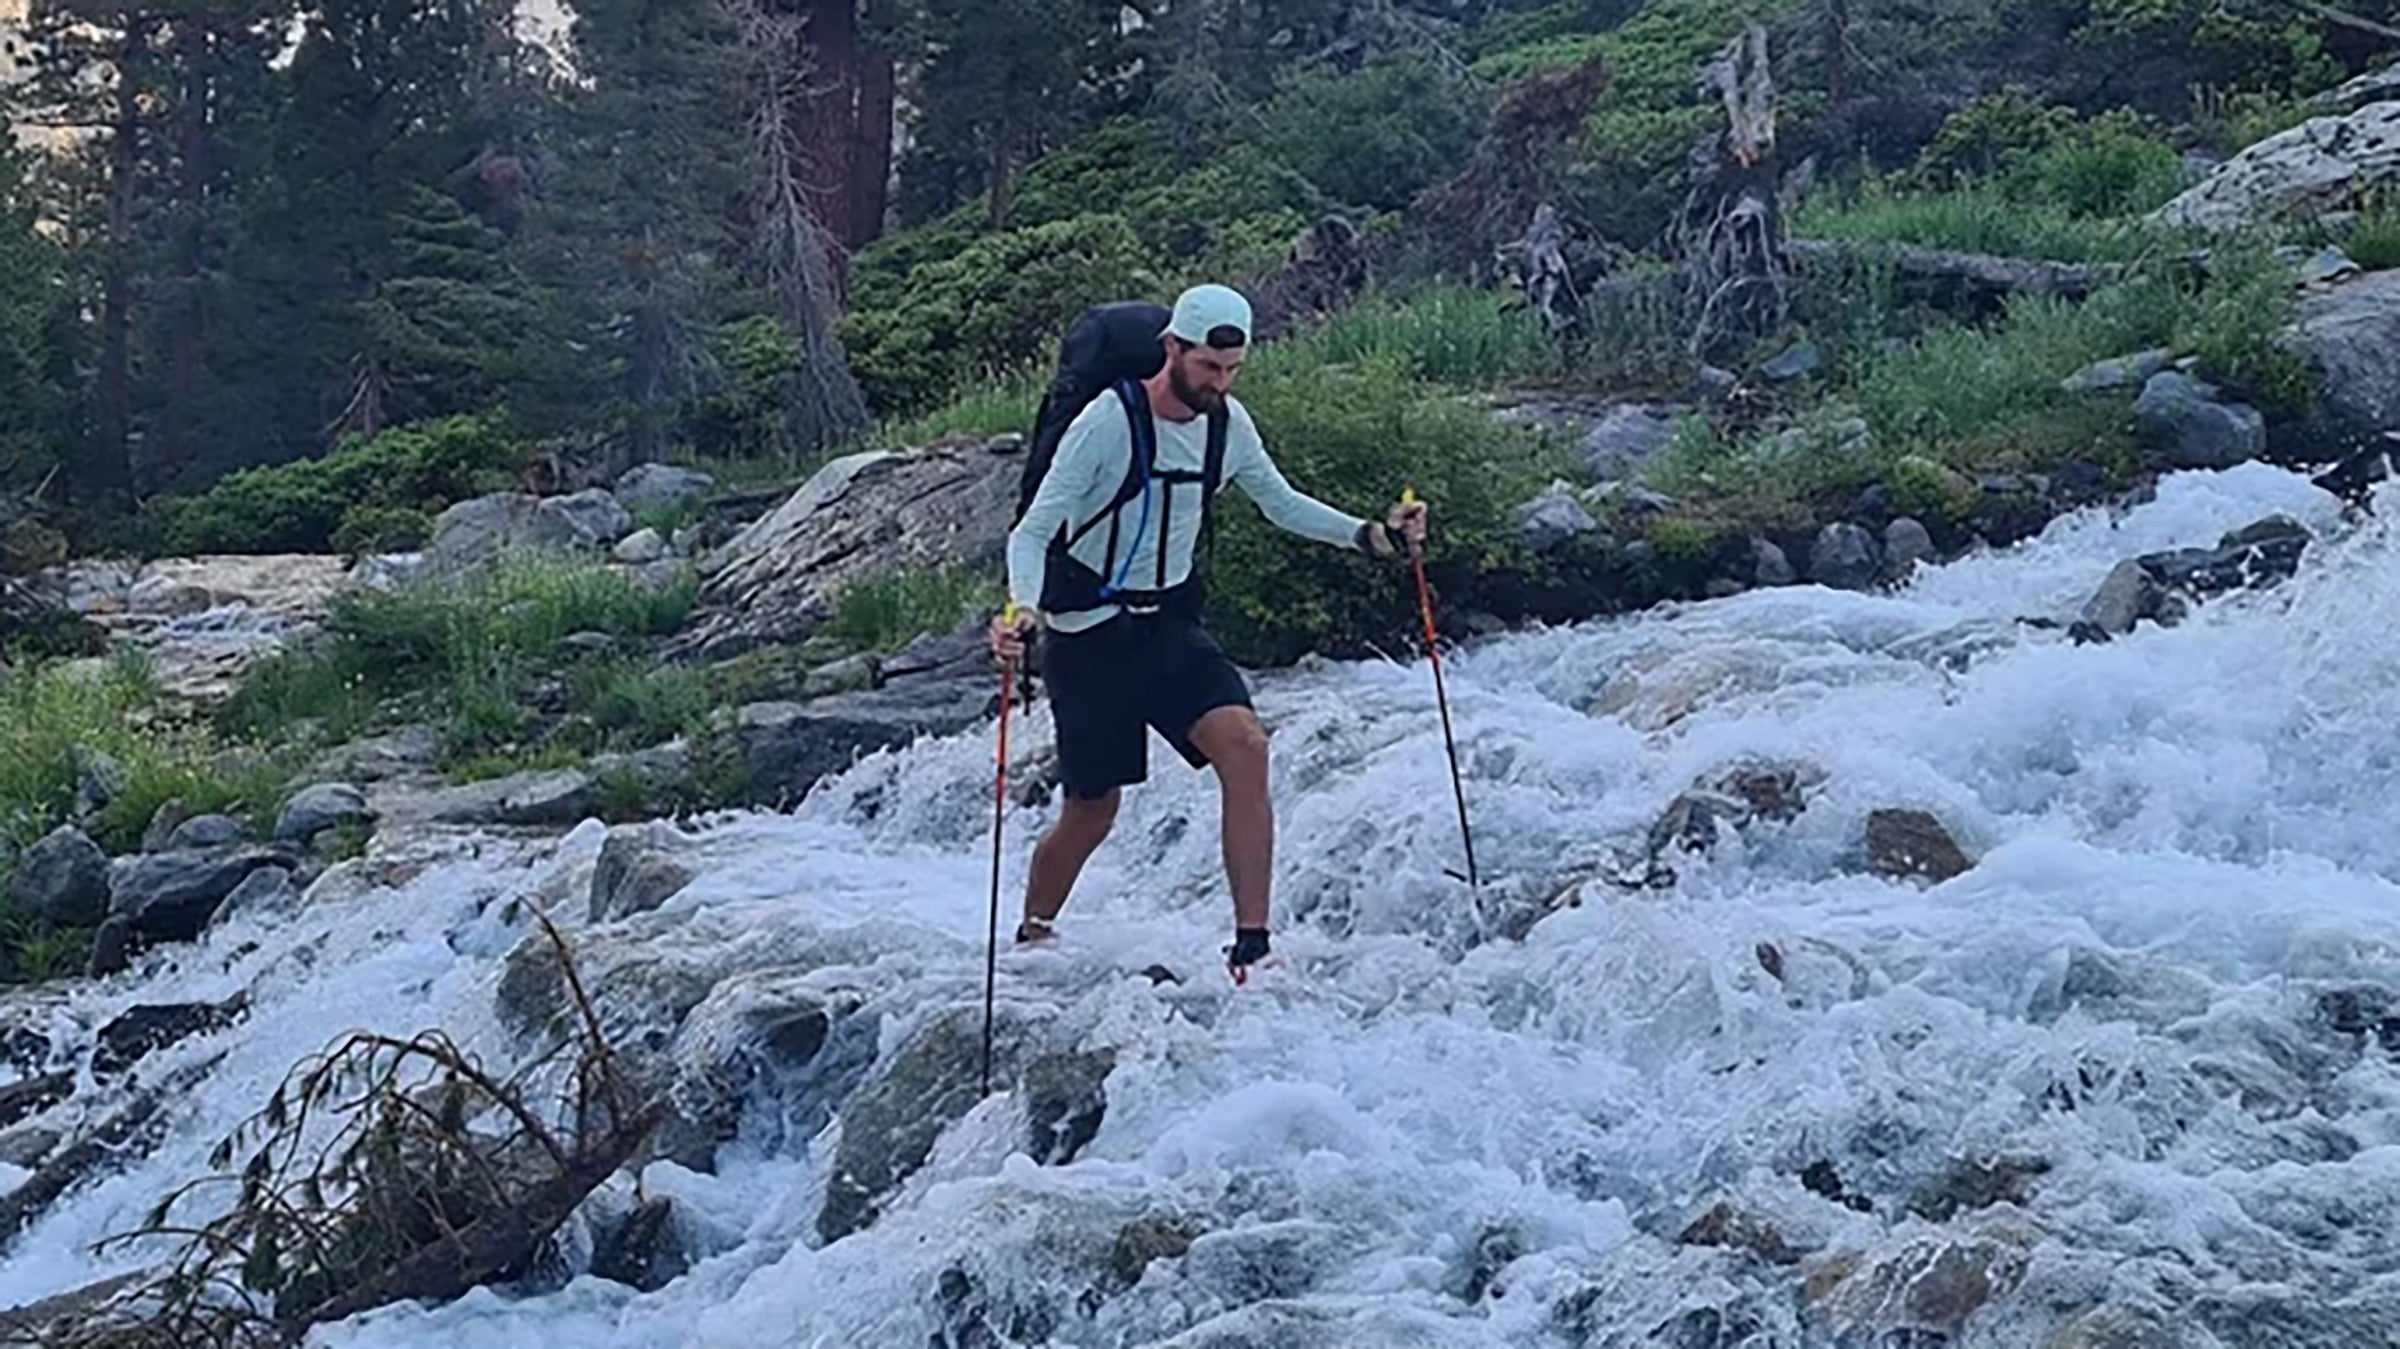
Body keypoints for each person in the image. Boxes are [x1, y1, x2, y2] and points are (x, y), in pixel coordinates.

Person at [990, 283, 1428, 978]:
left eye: (1232, 371)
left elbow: (1280, 502)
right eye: (1208, 369)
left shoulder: (1228, 424)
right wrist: (1021, 610)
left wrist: (1370, 537)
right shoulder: (1107, 422)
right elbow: (1034, 530)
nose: (1219, 384)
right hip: (1086, 633)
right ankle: (1034, 932)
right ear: (1173, 349)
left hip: (1166, 624)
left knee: (1247, 747)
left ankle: (1251, 944)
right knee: (1092, 811)